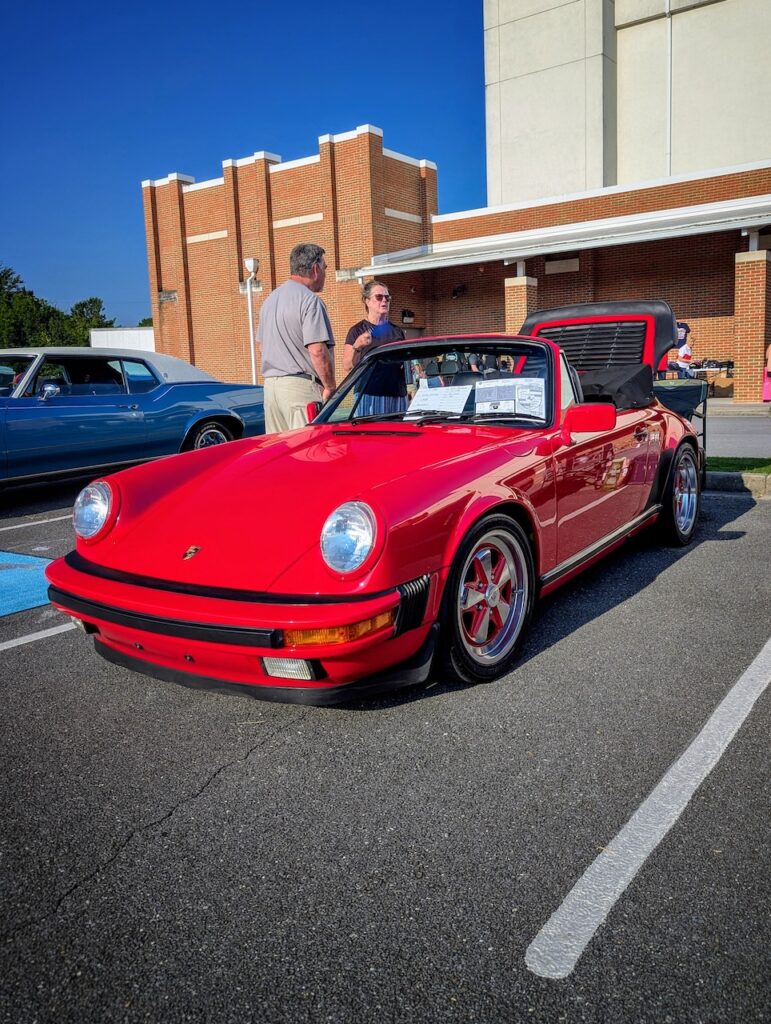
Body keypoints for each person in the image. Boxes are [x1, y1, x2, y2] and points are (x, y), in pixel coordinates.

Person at [258, 242, 336, 433]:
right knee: (308, 450)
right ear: (315, 269)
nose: (325, 274)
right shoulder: (310, 300)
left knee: (280, 454)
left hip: (271, 389)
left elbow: (262, 347)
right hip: (300, 390)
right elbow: (317, 350)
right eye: (325, 268)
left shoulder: (269, 300)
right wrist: (330, 386)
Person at [343, 280, 407, 415]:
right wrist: (357, 346)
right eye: (379, 297)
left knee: (398, 435)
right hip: (370, 394)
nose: (384, 301)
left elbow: (405, 365)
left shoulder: (397, 331)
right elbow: (348, 366)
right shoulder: (356, 331)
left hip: (397, 394)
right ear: (367, 301)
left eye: (387, 297)